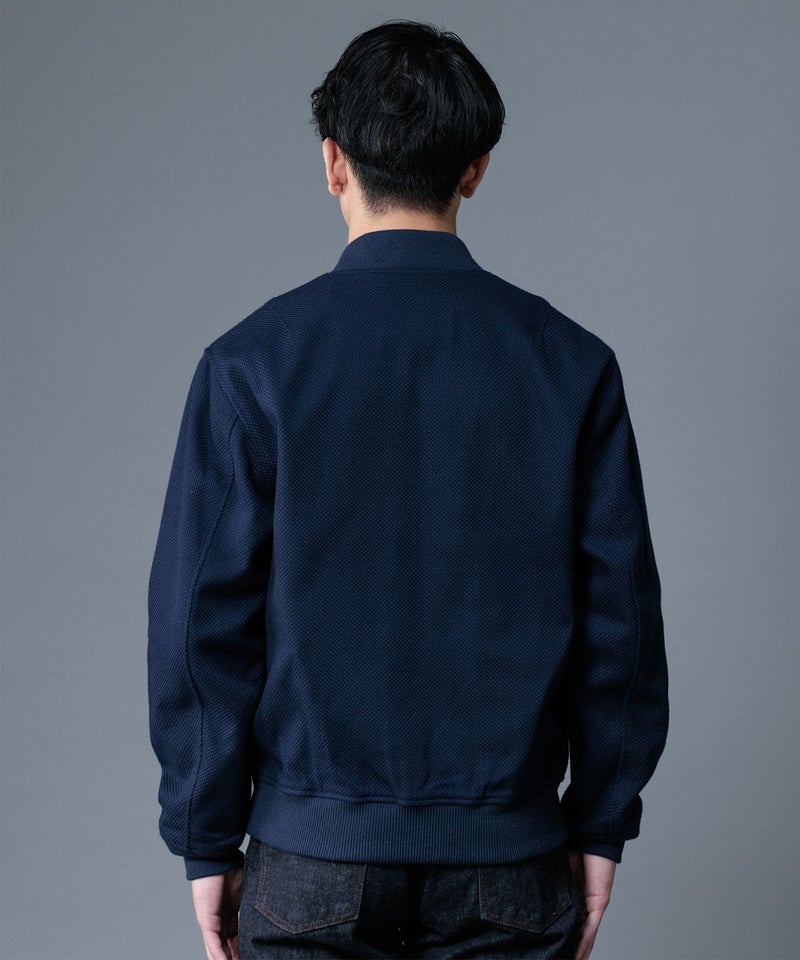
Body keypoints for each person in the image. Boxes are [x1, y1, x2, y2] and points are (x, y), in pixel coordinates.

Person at [147, 18, 669, 960]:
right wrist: (601, 823)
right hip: (512, 862)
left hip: (310, 860)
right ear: (475, 170)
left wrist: (203, 835)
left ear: (332, 162)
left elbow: (199, 628)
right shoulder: (571, 365)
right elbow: (620, 625)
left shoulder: (251, 365)